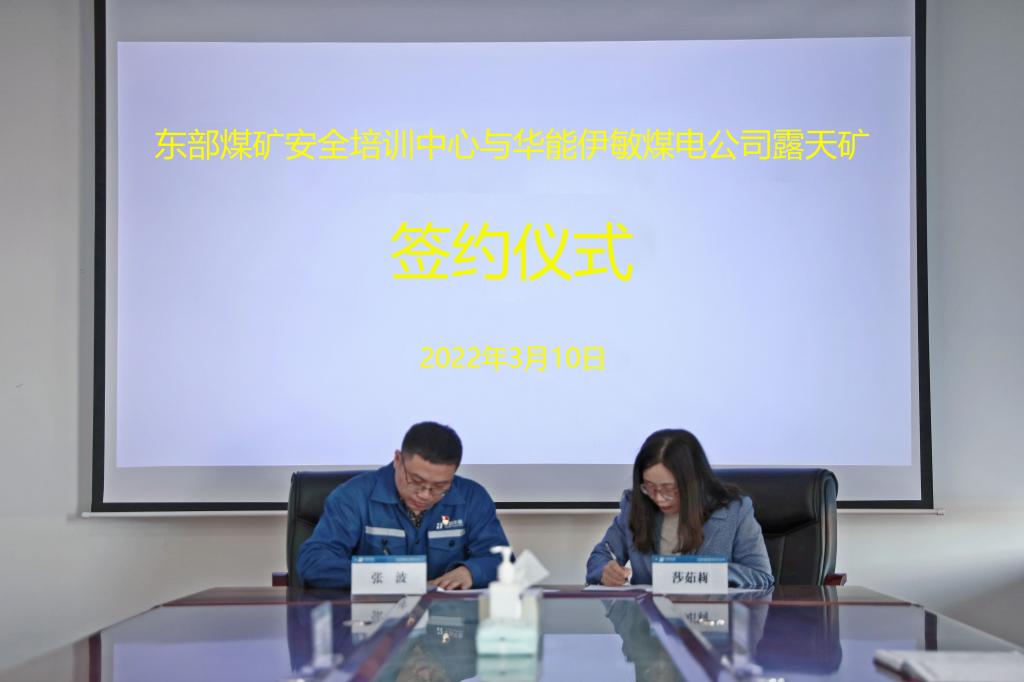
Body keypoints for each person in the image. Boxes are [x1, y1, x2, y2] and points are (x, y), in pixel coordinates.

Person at [298, 421, 510, 590]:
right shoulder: (353, 497)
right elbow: (313, 562)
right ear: (398, 460)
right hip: (373, 619)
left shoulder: (472, 498)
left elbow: (501, 560)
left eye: (440, 486)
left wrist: (470, 572)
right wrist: (391, 578)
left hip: (445, 620)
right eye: (416, 481)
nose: (425, 494)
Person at [586, 429, 774, 589]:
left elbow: (761, 576)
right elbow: (600, 556)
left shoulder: (734, 510)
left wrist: (705, 574)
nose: (659, 498)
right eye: (650, 487)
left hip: (711, 617)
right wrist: (605, 571)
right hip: (649, 619)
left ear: (692, 482)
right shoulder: (635, 506)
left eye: (669, 488)